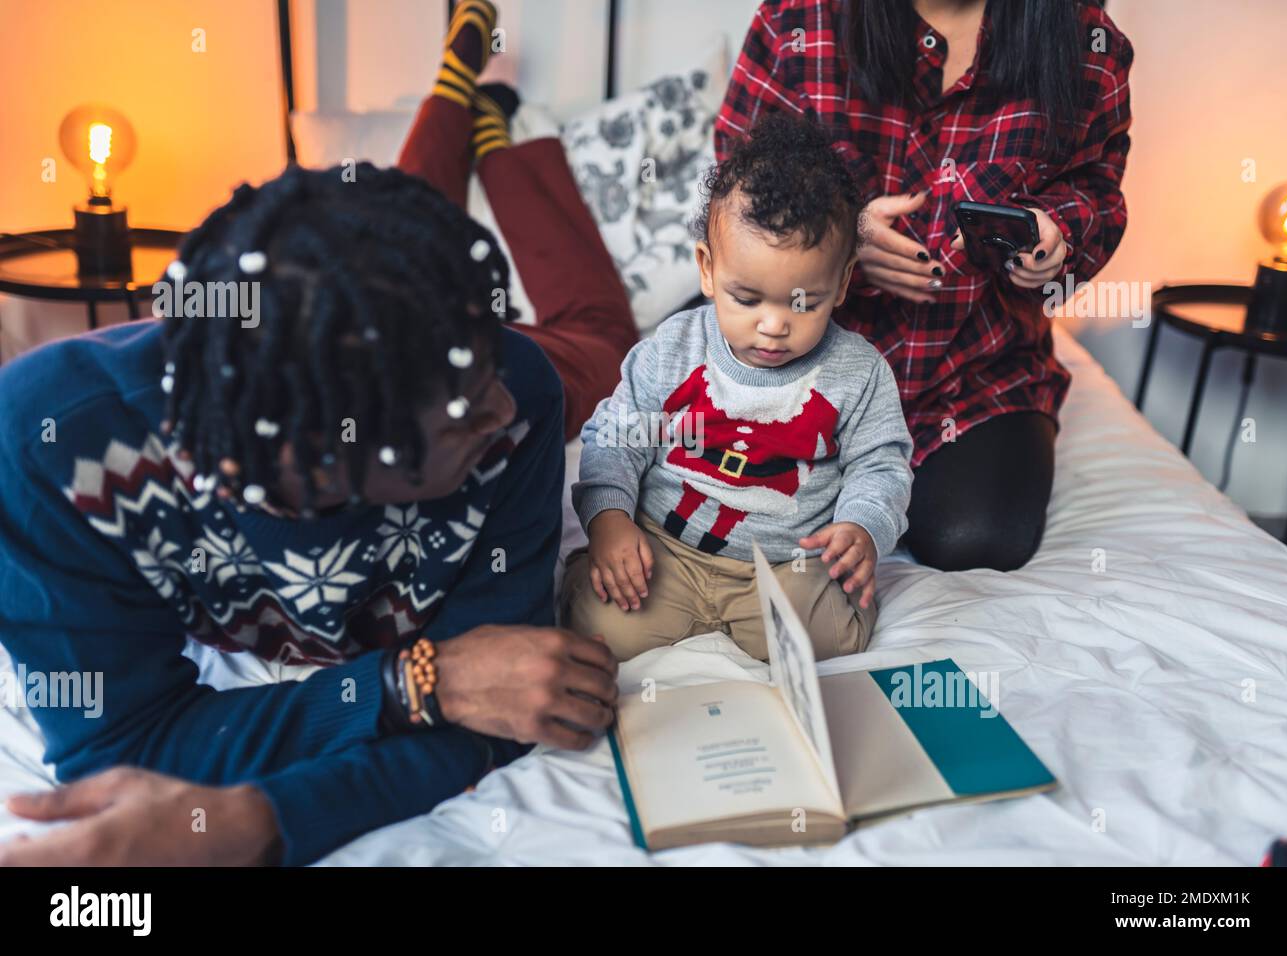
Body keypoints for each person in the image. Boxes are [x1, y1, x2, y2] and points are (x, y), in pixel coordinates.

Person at [0, 0, 633, 867]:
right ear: (311, 461)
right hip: (394, 362)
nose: (496, 416)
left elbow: (512, 705)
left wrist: (261, 813)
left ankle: (477, 122)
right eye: (463, 411)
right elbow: (128, 751)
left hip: (526, 347)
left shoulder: (515, 396)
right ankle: (471, 114)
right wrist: (415, 684)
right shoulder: (50, 447)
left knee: (599, 327)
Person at [716, 0, 1133, 571]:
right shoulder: (799, 19)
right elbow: (740, 185)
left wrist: (1059, 236)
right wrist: (842, 238)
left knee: (977, 539)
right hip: (809, 347)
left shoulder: (1085, 41)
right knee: (731, 498)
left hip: (976, 367)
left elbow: (1098, 190)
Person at [563, 113, 913, 663]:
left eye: (803, 303)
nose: (773, 325)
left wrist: (861, 526)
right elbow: (616, 437)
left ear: (842, 283)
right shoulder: (675, 347)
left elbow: (882, 465)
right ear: (707, 270)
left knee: (829, 638)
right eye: (747, 299)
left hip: (783, 566)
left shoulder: (859, 371)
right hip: (667, 550)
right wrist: (609, 519)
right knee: (602, 628)